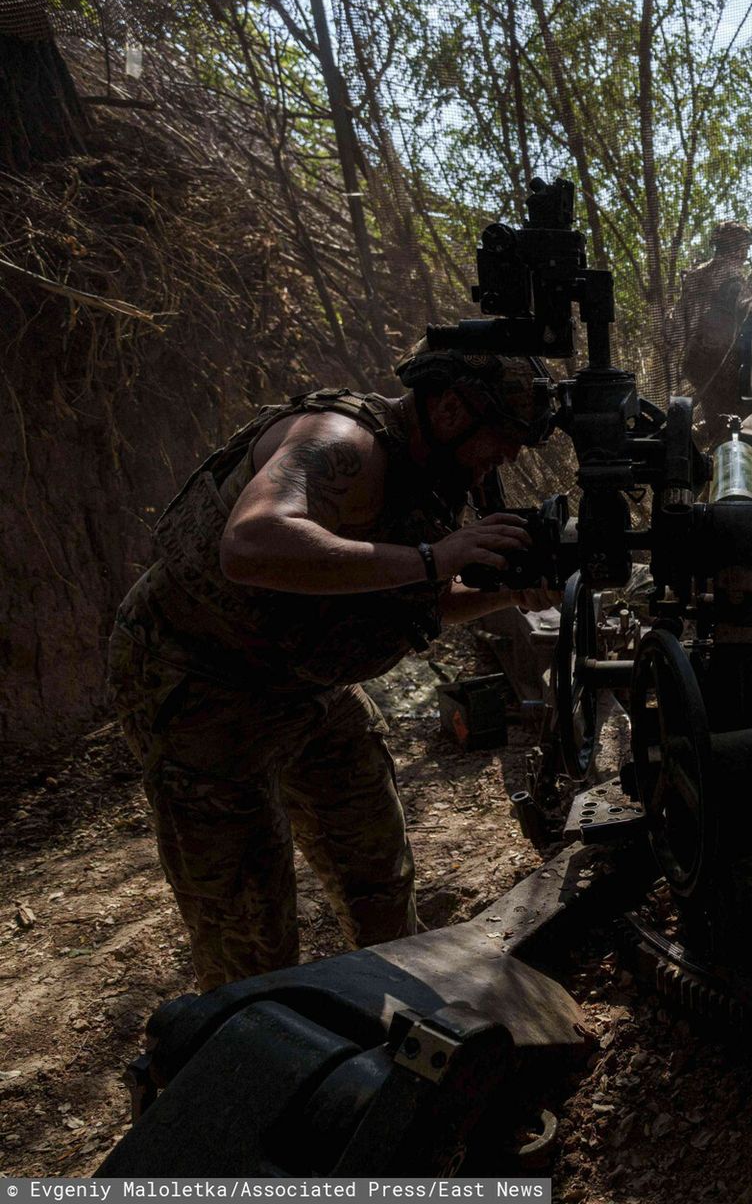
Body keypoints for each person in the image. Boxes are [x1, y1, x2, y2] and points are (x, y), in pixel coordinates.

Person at [108, 350, 562, 990]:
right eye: (502, 438)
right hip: (201, 686)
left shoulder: (434, 470)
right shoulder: (339, 440)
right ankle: (249, 1055)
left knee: (377, 869)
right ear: (452, 408)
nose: (509, 457)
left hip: (308, 686)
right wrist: (436, 556)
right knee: (250, 928)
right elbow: (254, 540)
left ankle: (395, 1012)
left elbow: (412, 593)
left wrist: (509, 594)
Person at [673, 219, 752, 433]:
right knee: (728, 421)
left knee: (715, 415)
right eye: (744, 247)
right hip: (718, 361)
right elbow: (748, 309)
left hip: (695, 357)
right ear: (736, 248)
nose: (745, 254)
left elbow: (676, 317)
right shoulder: (730, 274)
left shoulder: (695, 274)